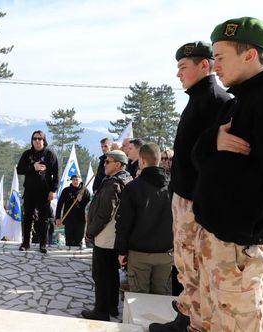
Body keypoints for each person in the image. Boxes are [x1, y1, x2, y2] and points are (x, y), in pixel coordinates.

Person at [190, 17, 263, 331]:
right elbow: (198, 156)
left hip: (239, 247)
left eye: (220, 57)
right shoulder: (239, 101)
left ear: (249, 55)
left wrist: (253, 219)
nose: (215, 65)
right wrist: (214, 141)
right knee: (213, 323)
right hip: (215, 238)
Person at [149, 40, 231, 332]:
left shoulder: (216, 102)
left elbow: (214, 161)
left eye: (183, 67)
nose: (178, 74)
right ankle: (185, 317)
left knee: (194, 268)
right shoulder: (199, 99)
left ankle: (191, 324)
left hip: (197, 203)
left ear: (204, 65)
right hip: (186, 199)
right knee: (185, 268)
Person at [115, 143, 173, 295]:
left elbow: (124, 222)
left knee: (139, 300)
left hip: (139, 253)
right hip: (166, 254)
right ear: (159, 160)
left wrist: (121, 251)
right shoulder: (172, 188)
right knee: (160, 298)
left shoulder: (133, 188)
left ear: (142, 161)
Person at [81, 150, 132, 321]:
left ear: (117, 164)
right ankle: (111, 307)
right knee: (112, 273)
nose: (104, 164)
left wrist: (90, 232)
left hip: (106, 236)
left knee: (101, 275)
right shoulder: (127, 180)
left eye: (107, 162)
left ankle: (101, 311)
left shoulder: (113, 184)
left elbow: (104, 213)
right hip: (114, 238)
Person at [16, 130, 59, 254]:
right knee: (27, 218)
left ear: (44, 140)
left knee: (43, 219)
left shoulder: (50, 154)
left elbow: (56, 174)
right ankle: (25, 243)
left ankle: (42, 244)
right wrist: (32, 167)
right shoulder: (27, 154)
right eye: (35, 138)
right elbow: (19, 170)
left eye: (40, 138)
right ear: (32, 140)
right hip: (29, 191)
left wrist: (53, 190)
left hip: (44, 192)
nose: (37, 141)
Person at [56, 175, 90, 247]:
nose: (75, 181)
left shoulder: (85, 191)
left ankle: (77, 256)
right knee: (69, 240)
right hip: (69, 219)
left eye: (77, 179)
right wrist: (57, 218)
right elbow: (59, 205)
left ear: (80, 180)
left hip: (81, 219)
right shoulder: (66, 190)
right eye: (74, 180)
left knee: (79, 240)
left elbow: (88, 205)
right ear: (71, 181)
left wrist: (81, 200)